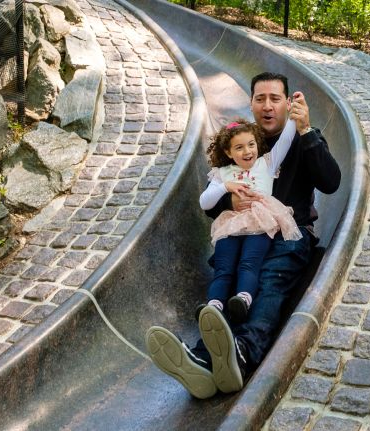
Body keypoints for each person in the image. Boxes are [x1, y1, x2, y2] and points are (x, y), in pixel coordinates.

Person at [145, 72, 341, 399]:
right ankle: (203, 359)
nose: (267, 106)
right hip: (244, 232)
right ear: (251, 103)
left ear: (287, 103)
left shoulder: (302, 138)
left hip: (288, 234)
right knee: (228, 283)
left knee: (268, 282)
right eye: (260, 99)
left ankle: (244, 351)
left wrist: (306, 131)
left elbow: (331, 182)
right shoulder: (241, 142)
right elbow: (213, 198)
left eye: (274, 99)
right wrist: (230, 200)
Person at [197, 117, 302, 325]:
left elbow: (286, 139)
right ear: (228, 152)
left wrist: (292, 114)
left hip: (259, 223)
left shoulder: (267, 163)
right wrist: (225, 187)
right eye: (239, 147)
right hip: (230, 225)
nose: (247, 151)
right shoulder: (222, 174)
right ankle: (214, 306)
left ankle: (243, 300)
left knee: (248, 263)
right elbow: (204, 203)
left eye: (251, 144)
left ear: (257, 144)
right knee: (224, 267)